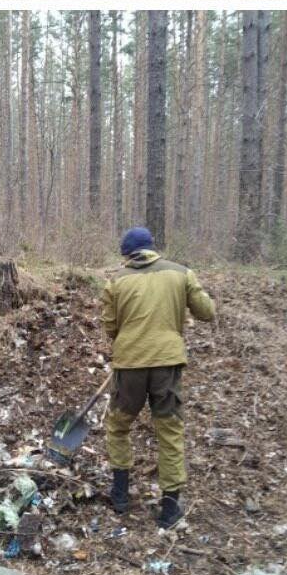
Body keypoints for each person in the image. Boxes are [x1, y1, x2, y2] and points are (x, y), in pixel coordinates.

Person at [102, 227, 215, 529]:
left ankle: (120, 496)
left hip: (130, 365)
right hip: (167, 364)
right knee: (169, 430)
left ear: (126, 254)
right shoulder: (182, 273)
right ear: (153, 248)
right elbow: (207, 312)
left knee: (118, 425)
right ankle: (169, 509)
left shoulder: (116, 280)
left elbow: (110, 327)